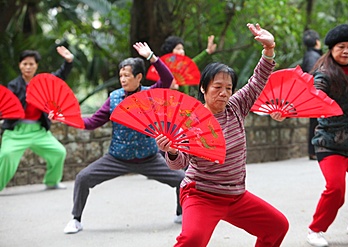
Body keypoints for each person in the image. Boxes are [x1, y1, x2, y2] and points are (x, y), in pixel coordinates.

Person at [155, 23, 289, 247]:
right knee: (192, 239)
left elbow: (257, 82)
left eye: (228, 87)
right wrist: (171, 150)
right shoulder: (190, 120)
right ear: (203, 89)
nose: (224, 93)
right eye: (217, 87)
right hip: (201, 195)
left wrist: (269, 49)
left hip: (236, 195)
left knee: (277, 227)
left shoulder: (235, 107)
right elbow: (179, 164)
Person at [63, 42, 185, 234]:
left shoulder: (150, 94)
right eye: (121, 75)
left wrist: (151, 56)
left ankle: (180, 213)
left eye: (127, 75)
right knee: (83, 178)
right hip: (116, 158)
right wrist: (67, 118)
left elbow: (168, 78)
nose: (123, 79)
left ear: (138, 77)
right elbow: (92, 122)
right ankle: (76, 219)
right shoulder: (114, 98)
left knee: (182, 179)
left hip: (149, 158)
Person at [305, 24, 348, 247]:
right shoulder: (324, 73)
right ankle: (315, 230)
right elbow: (314, 95)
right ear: (331, 49)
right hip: (330, 145)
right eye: (341, 47)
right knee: (336, 189)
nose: (346, 51)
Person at [0, 46, 74, 191]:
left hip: (39, 131)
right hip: (16, 132)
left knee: (59, 151)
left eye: (31, 64)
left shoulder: (43, 82)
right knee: (6, 155)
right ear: (20, 65)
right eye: (25, 64)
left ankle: (52, 181)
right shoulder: (13, 86)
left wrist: (69, 61)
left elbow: (60, 76)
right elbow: (6, 105)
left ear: (36, 66)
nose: (28, 67)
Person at [301, 29, 323, 161]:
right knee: (316, 122)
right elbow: (312, 75)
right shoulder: (313, 57)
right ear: (316, 42)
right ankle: (313, 151)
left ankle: (313, 151)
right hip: (315, 93)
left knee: (315, 122)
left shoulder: (309, 55)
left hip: (311, 93)